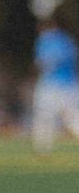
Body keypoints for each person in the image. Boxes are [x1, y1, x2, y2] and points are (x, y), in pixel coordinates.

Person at [31, 19, 79, 152]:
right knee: (73, 117)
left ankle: (43, 149)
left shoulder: (45, 41)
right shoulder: (67, 41)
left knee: (44, 116)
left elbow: (43, 62)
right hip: (70, 83)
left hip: (50, 84)